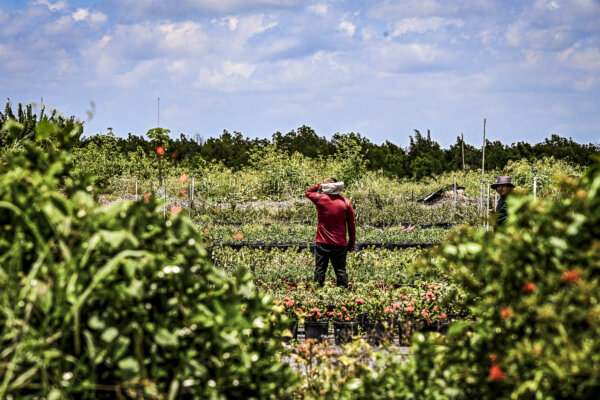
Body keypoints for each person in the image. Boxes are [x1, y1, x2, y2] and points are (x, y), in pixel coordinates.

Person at [305, 178, 356, 288]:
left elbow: (308, 192)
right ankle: (343, 296)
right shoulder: (346, 202)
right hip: (340, 243)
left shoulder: (320, 199)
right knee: (340, 271)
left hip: (322, 242)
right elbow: (351, 225)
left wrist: (321, 184)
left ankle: (316, 296)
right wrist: (352, 243)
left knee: (320, 270)